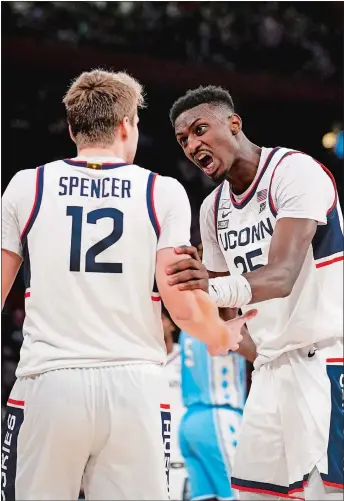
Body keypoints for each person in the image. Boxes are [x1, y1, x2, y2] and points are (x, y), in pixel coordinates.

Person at [1, 73, 255, 501]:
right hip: (135, 388)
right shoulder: (162, 191)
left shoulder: (29, 185)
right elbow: (183, 304)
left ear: (72, 128)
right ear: (126, 125)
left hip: (50, 383)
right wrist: (220, 336)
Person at [167, 85, 344, 501]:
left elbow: (281, 275)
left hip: (326, 360)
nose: (193, 145)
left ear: (234, 123)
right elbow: (222, 311)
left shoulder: (294, 172)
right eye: (183, 140)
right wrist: (215, 328)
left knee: (327, 495)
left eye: (200, 129)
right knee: (255, 495)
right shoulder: (211, 209)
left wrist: (208, 289)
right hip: (268, 372)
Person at [179, 329, 247, 501]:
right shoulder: (222, 316)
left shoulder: (186, 323)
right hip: (219, 418)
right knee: (243, 494)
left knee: (204, 497)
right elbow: (257, 351)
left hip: (190, 419)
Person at [162, 309, 188, 501]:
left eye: (161, 318)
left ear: (172, 325)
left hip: (185, 451)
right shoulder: (144, 361)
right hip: (156, 451)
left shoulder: (187, 357)